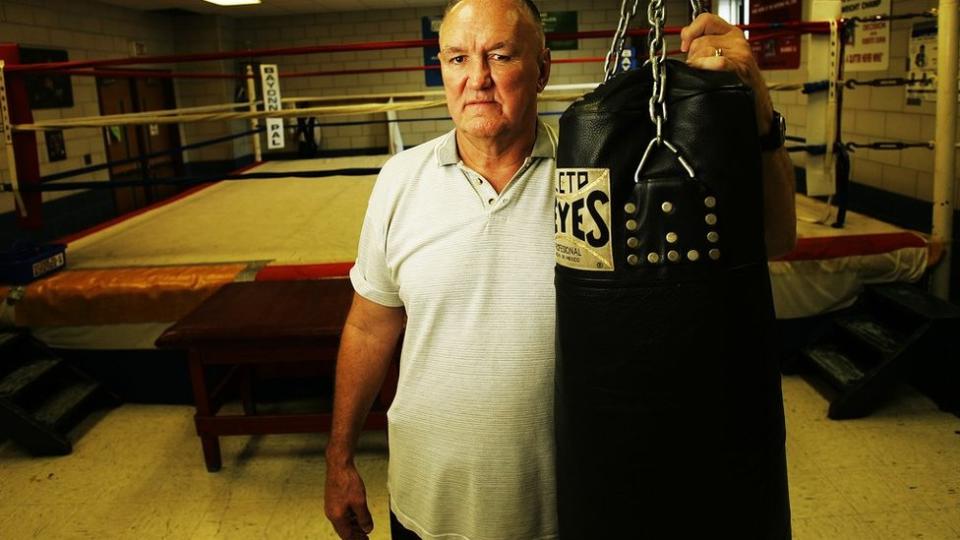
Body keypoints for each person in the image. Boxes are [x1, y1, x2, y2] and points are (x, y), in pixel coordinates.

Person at [323, 1, 796, 539]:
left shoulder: (596, 168)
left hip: (565, 515)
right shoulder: (399, 180)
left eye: (500, 56)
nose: (477, 79)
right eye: (457, 58)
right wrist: (338, 459)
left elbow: (775, 239)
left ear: (542, 69)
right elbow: (369, 325)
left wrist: (755, 107)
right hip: (426, 508)